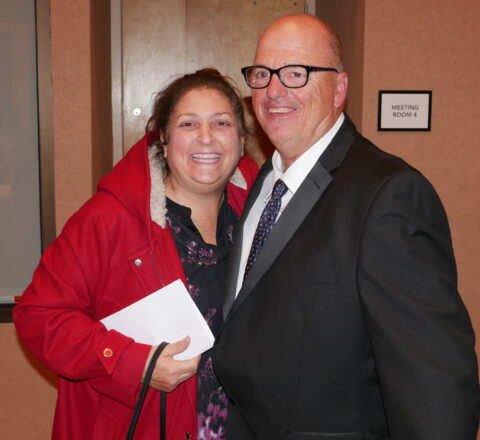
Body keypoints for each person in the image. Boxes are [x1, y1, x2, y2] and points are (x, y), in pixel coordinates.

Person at [212, 14, 480, 439]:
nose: (273, 90)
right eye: (262, 74)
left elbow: (435, 386)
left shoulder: (388, 196)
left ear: (339, 89)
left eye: (296, 73)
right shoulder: (265, 182)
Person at [13, 68, 258, 440]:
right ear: (162, 137)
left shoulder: (263, 214)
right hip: (145, 425)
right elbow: (39, 316)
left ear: (241, 140)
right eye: (188, 124)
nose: (206, 138)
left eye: (221, 123)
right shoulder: (109, 219)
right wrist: (132, 362)